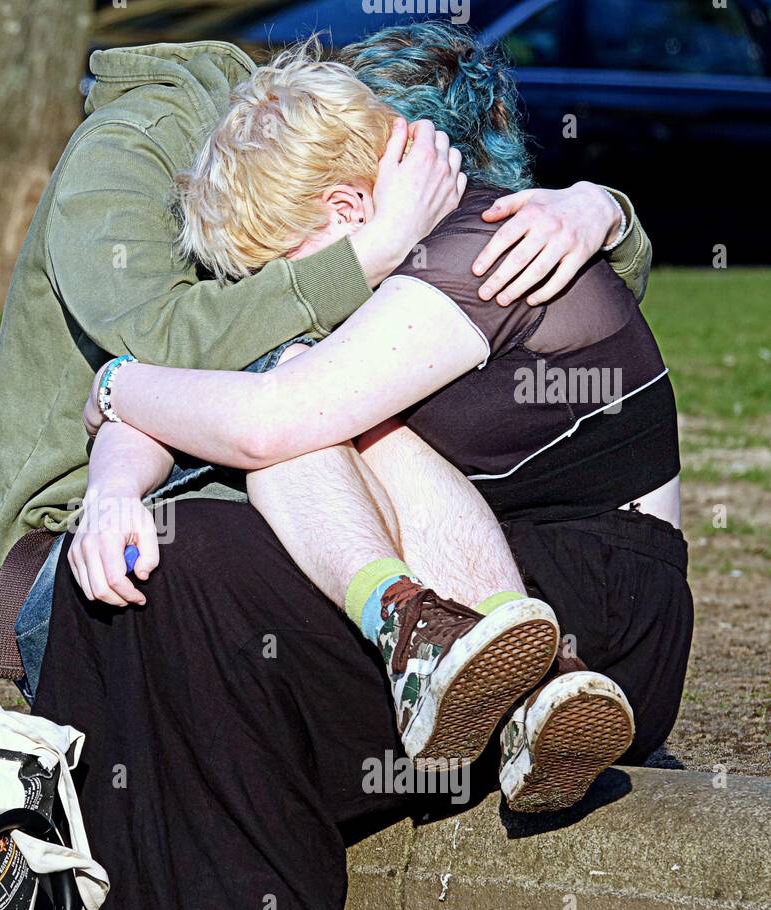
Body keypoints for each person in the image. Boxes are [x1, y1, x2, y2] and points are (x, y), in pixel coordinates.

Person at [0, 31, 655, 910]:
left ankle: (463, 649)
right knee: (304, 407)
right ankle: (495, 659)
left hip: (272, 486)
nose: (427, 185)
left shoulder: (348, 197)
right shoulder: (132, 161)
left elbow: (551, 299)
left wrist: (597, 211)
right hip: (95, 532)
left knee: (322, 409)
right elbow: (175, 360)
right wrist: (117, 465)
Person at [80, 26, 690, 814]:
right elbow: (220, 395)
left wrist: (115, 382)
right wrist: (111, 485)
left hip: (605, 617)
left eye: (282, 265)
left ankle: (426, 638)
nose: (287, 294)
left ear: (348, 205)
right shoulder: (406, 255)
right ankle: (466, 663)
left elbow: (264, 422)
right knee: (302, 409)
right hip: (512, 610)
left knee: (297, 417)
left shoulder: (484, 249)